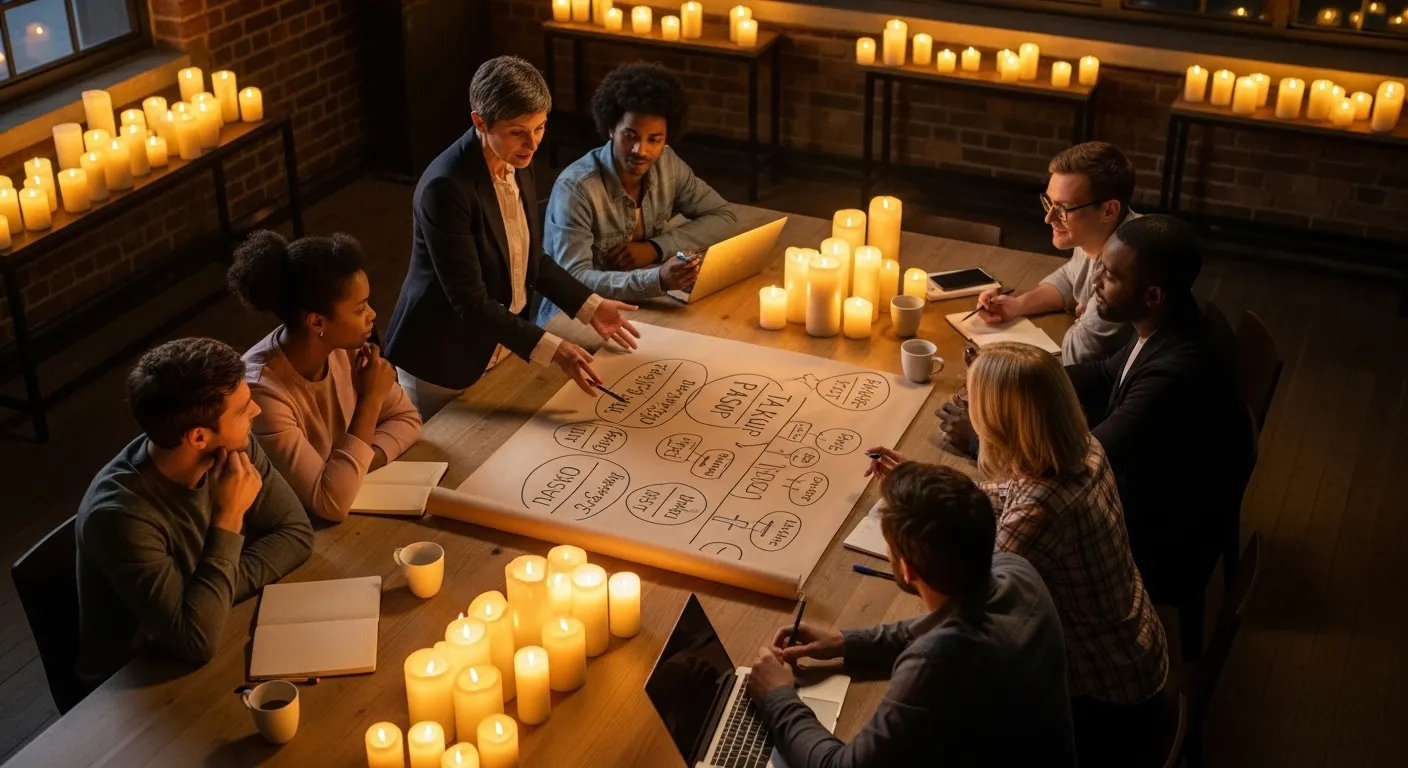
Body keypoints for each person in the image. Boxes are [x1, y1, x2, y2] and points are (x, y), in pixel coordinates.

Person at [869, 341, 1171, 766]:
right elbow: (1007, 493)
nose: (966, 407)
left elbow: (963, 600)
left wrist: (904, 539)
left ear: (997, 421)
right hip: (1135, 650)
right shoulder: (1079, 449)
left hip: (1106, 698)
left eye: (972, 401)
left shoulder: (1041, 509)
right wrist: (918, 481)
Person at [745, 462, 1076, 767]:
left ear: (907, 568)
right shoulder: (1016, 572)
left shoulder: (937, 666)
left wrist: (778, 697)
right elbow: (935, 627)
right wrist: (845, 642)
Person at [384, 55, 641, 421]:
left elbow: (525, 253)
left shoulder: (515, 156)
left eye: (540, 128)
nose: (533, 143)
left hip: (495, 343)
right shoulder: (446, 188)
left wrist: (590, 305)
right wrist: (553, 348)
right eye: (518, 131)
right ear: (479, 121)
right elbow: (469, 300)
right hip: (440, 358)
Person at [75, 338, 314, 688]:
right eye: (242, 409)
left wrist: (207, 598)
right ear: (199, 437)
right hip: (131, 687)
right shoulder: (119, 516)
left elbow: (295, 533)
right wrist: (228, 518)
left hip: (210, 632)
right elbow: (196, 639)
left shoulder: (234, 447)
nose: (256, 412)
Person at [1064, 214, 1250, 604]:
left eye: (1110, 277)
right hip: (1171, 485)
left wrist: (982, 440)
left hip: (1161, 534)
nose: (1095, 283)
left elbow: (1086, 463)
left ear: (1152, 295)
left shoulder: (1175, 371)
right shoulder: (1180, 311)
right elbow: (1103, 372)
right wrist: (1021, 375)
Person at [229, 230, 422, 523]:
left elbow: (408, 420)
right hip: (299, 533)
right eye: (360, 308)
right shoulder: (261, 391)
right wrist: (370, 400)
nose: (372, 315)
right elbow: (329, 502)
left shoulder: (345, 347)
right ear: (317, 321)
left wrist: (347, 470)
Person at [536, 62, 737, 325]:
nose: (640, 150)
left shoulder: (668, 164)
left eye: (654, 139)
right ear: (611, 129)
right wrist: (657, 279)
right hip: (572, 319)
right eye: (630, 136)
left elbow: (725, 216)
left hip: (641, 308)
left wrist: (655, 248)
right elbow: (574, 279)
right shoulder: (576, 188)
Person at [974, 141, 1140, 363]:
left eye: (1062, 208)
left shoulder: (1127, 263)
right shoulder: (1097, 234)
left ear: (1109, 210)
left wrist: (1081, 323)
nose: (1048, 218)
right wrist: (1018, 305)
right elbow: (1069, 279)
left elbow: (1078, 356)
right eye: (1049, 203)